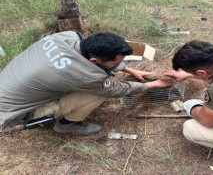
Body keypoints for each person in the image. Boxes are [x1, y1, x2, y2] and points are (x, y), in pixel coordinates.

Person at [0, 31, 172, 136]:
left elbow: (102, 60)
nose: (117, 66)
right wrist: (152, 85)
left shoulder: (67, 36)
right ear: (94, 60)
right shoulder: (85, 76)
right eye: (114, 64)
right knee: (96, 94)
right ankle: (66, 126)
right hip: (15, 113)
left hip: (10, 87)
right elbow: (115, 90)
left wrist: (131, 70)